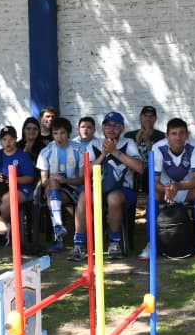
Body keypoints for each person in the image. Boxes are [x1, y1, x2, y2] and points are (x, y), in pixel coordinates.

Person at [68, 111, 143, 261]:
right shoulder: (94, 144)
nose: (111, 129)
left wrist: (115, 152)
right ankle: (79, 245)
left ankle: (115, 243)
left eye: (116, 126)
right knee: (84, 196)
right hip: (98, 188)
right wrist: (103, 154)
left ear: (122, 128)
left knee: (113, 198)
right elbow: (84, 173)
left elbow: (139, 168)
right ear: (102, 127)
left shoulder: (128, 143)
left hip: (122, 189)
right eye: (108, 125)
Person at [143, 117, 195, 260]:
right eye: (173, 133)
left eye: (181, 133)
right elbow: (154, 181)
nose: (178, 137)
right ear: (166, 136)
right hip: (165, 190)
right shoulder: (158, 147)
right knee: (153, 193)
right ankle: (150, 244)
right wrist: (166, 189)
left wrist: (177, 186)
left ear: (187, 135)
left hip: (185, 188)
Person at [36, 117, 84, 251]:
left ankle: (58, 237)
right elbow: (44, 181)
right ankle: (58, 226)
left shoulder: (79, 149)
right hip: (54, 189)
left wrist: (65, 180)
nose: (59, 137)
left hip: (74, 190)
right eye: (55, 133)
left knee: (51, 195)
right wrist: (55, 179)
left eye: (62, 133)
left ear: (68, 133)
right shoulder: (46, 151)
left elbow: (82, 179)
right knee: (51, 183)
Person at [0, 125, 36, 229]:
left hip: (20, 188)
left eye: (11, 139)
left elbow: (30, 178)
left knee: (7, 201)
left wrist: (13, 180)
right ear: (1, 141)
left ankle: (5, 226)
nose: (8, 142)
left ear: (15, 140)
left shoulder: (23, 156)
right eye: (4, 139)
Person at [124, 105, 164, 193]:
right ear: (140, 118)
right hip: (134, 170)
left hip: (153, 171)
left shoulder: (162, 136)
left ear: (155, 119)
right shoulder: (129, 136)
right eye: (145, 116)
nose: (148, 118)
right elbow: (126, 158)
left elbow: (159, 159)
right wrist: (137, 143)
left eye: (151, 116)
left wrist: (147, 140)